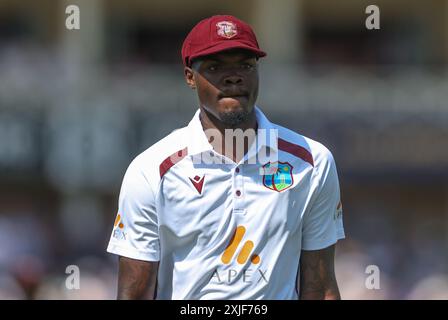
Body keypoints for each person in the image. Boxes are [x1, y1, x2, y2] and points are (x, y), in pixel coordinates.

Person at [107, 14, 345, 300]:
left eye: (245, 65)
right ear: (189, 77)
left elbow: (320, 290)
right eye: (215, 67)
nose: (234, 77)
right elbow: (134, 294)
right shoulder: (151, 169)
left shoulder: (311, 162)